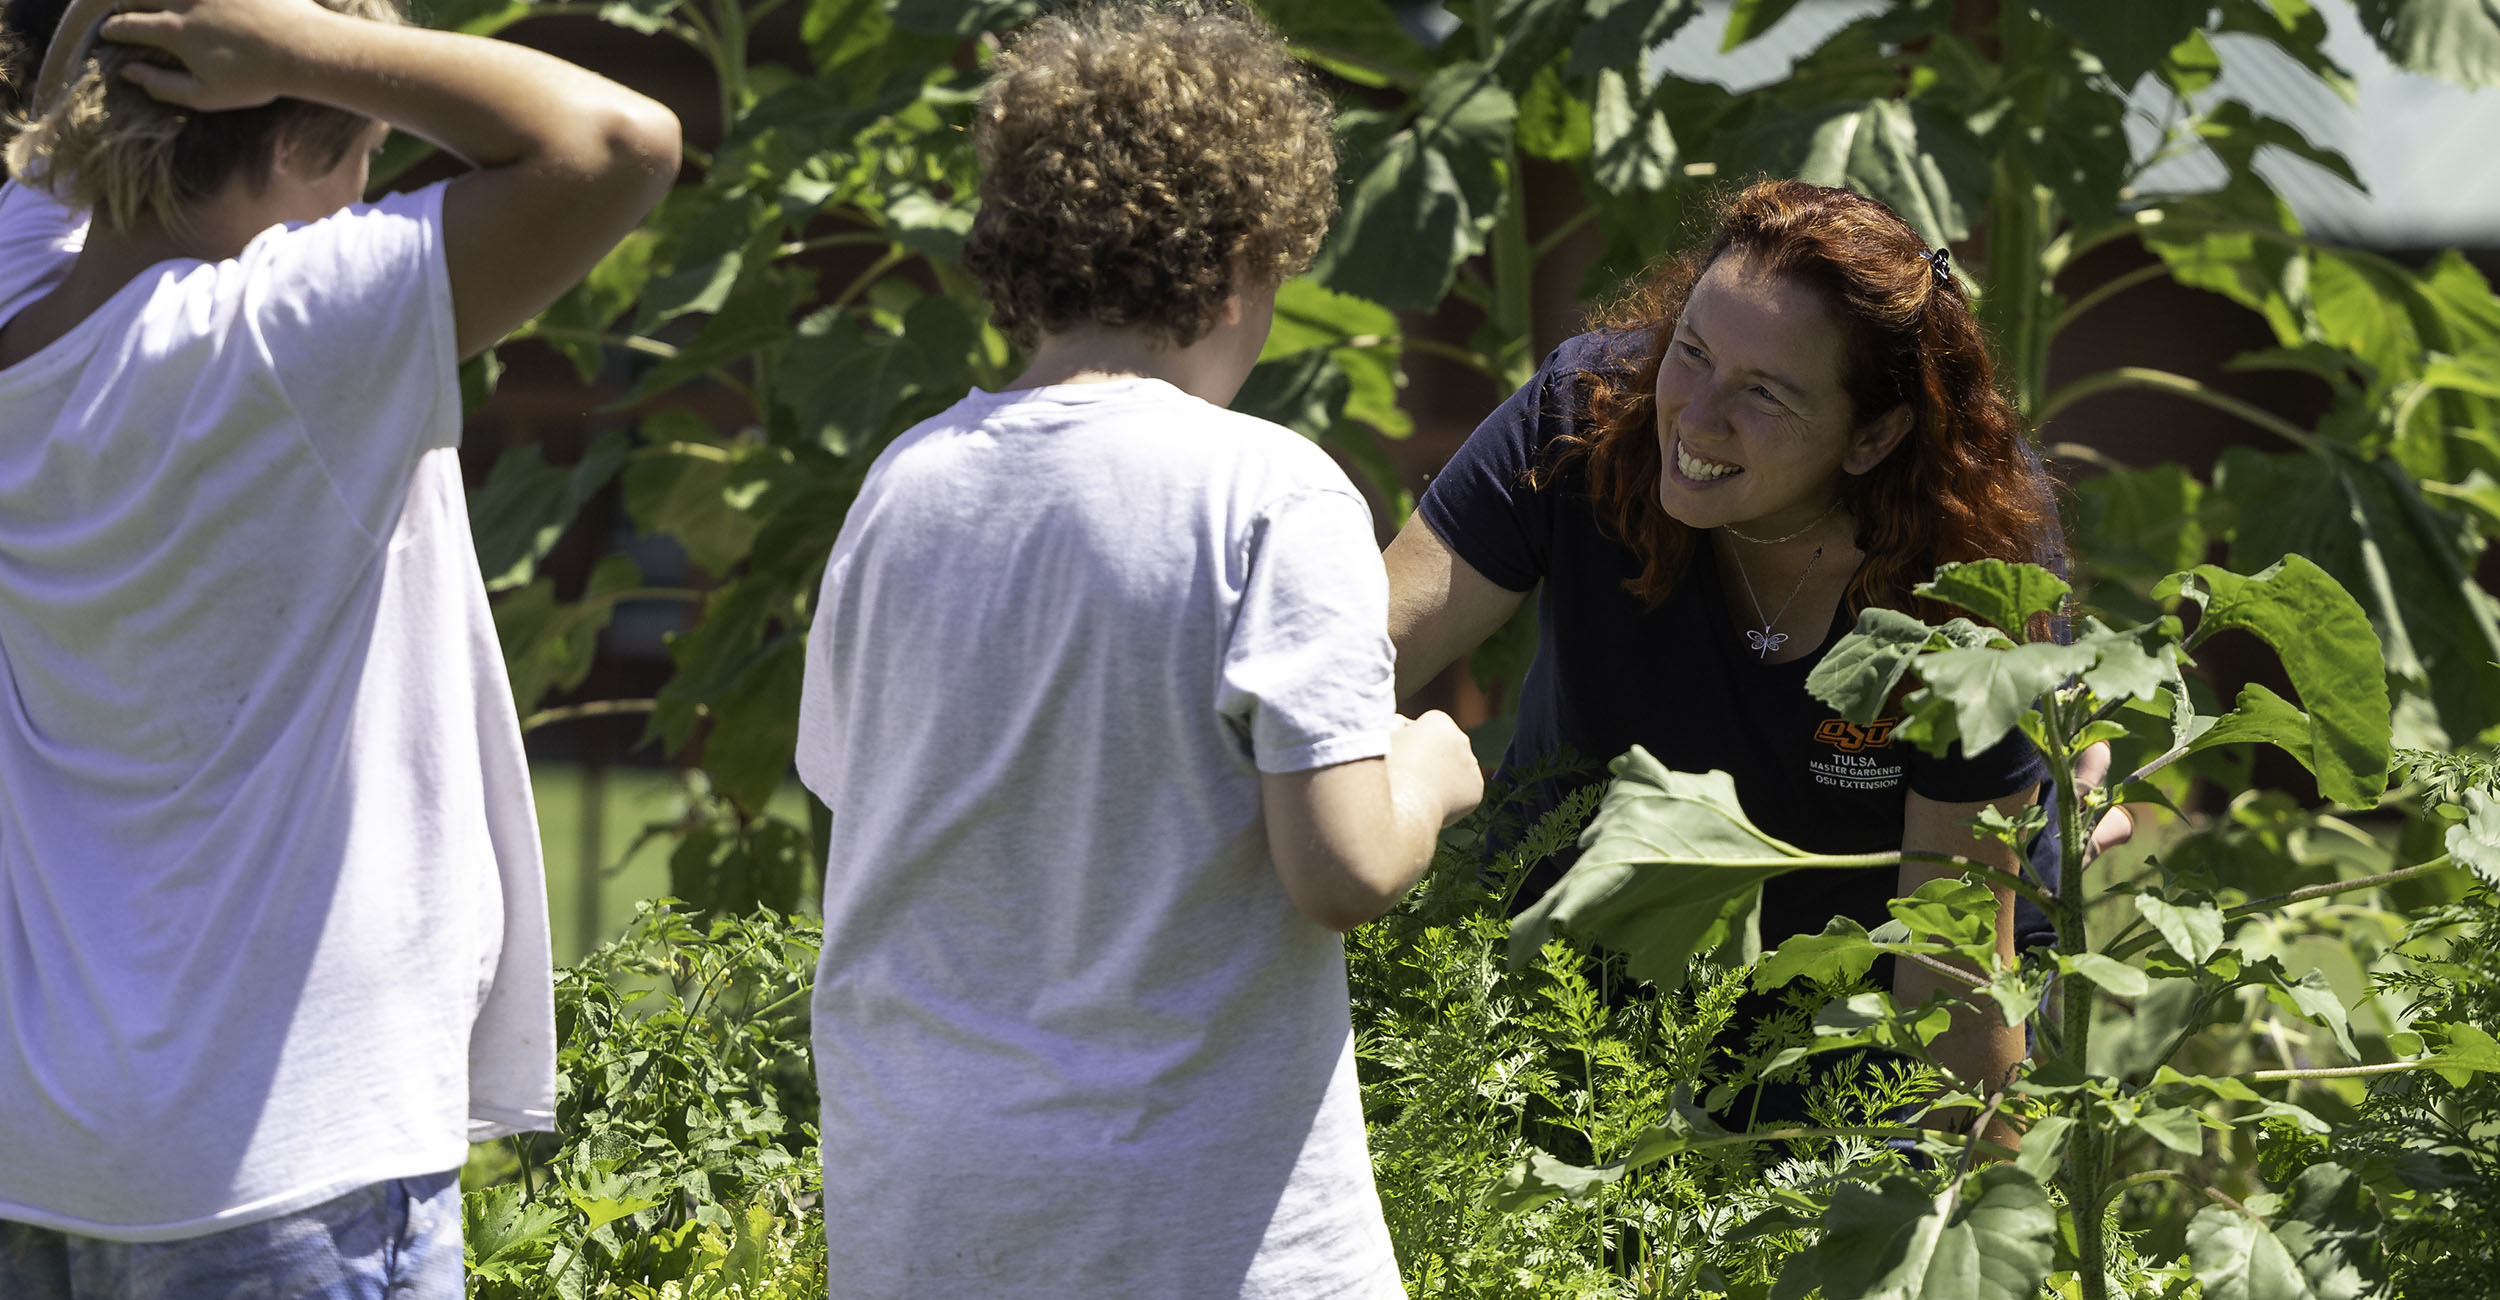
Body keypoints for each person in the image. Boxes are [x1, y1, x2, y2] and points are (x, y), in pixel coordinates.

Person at [793, 4, 1484, 1295]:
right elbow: (1341, 868)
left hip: (928, 1214)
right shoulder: (1273, 492)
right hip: (1192, 1225)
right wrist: (1429, 766)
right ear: (1237, 261)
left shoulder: (901, 490)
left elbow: (854, 822)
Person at [0, 0, 678, 1292]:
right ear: (296, 138)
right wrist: (305, 45)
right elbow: (621, 142)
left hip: (42, 1155)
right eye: (366, 149)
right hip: (275, 1174)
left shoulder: (19, 299)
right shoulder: (280, 342)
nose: (372, 186)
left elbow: (51, 144)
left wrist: (188, 44)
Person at [1386, 179, 2094, 1112]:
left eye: (1765, 392)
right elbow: (1354, 660)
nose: (1698, 415)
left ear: (1873, 435)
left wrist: (1964, 1228)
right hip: (1565, 984)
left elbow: (1951, 969)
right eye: (1693, 351)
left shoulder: (1971, 574)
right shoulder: (1585, 418)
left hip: (1858, 1043)